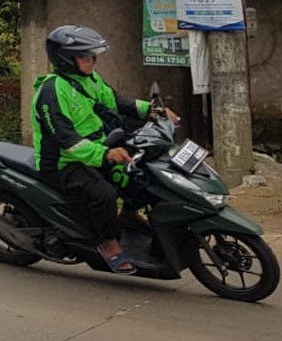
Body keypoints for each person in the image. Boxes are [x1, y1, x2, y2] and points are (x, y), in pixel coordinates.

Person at [31, 25, 177, 275]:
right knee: (104, 194)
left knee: (141, 174)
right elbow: (64, 138)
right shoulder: (52, 91)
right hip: (62, 163)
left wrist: (154, 112)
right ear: (66, 59)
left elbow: (117, 101)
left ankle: (129, 215)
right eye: (86, 57)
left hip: (95, 150)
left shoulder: (89, 79)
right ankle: (108, 244)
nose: (92, 61)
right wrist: (105, 154)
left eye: (94, 56)